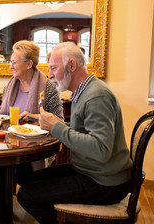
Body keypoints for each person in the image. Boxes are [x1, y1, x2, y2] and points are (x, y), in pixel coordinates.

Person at [17, 42, 133, 224]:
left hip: (105, 182)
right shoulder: (85, 91)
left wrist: (56, 127)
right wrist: (49, 123)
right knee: (25, 177)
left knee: (27, 195)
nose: (50, 74)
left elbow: (101, 149)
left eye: (54, 68)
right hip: (90, 171)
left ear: (71, 65)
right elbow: (84, 129)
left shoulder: (96, 96)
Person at [0, 40, 64, 182]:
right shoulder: (11, 84)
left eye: (14, 62)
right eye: (10, 62)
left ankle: (26, 196)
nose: (11, 66)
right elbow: (3, 111)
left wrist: (36, 117)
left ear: (29, 64)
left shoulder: (48, 87)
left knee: (19, 171)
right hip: (7, 143)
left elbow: (59, 121)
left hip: (33, 148)